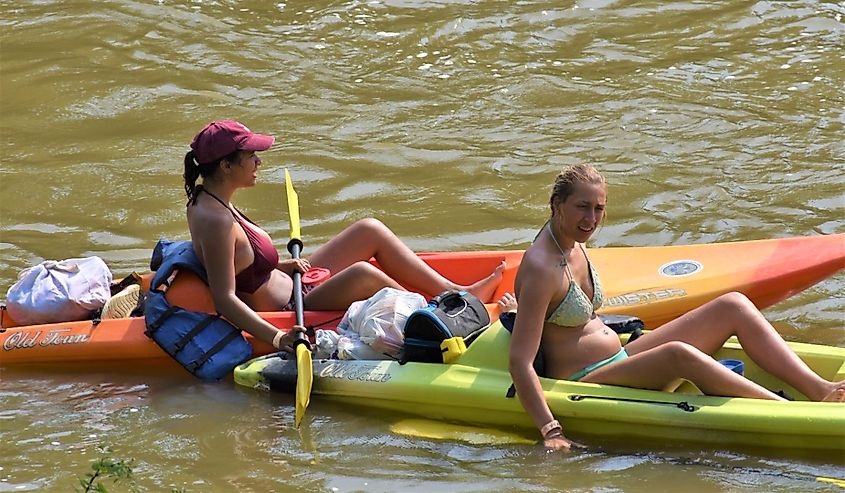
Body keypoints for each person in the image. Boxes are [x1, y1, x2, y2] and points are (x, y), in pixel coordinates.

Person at [508, 163, 845, 452]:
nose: (592, 218)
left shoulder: (570, 242)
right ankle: (786, 413)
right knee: (678, 353)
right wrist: (551, 429)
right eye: (583, 207)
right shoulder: (541, 268)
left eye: (598, 208)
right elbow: (520, 362)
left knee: (733, 305)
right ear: (556, 204)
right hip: (585, 380)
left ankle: (821, 389)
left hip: (619, 358)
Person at [183, 120, 504, 352]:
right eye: (251, 156)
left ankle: (455, 291)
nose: (259, 161)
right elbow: (226, 299)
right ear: (226, 166)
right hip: (292, 305)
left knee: (369, 229)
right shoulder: (216, 222)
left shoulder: (211, 198)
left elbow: (241, 264)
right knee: (364, 273)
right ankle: (435, 319)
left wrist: (281, 266)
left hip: (296, 282)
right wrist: (279, 337)